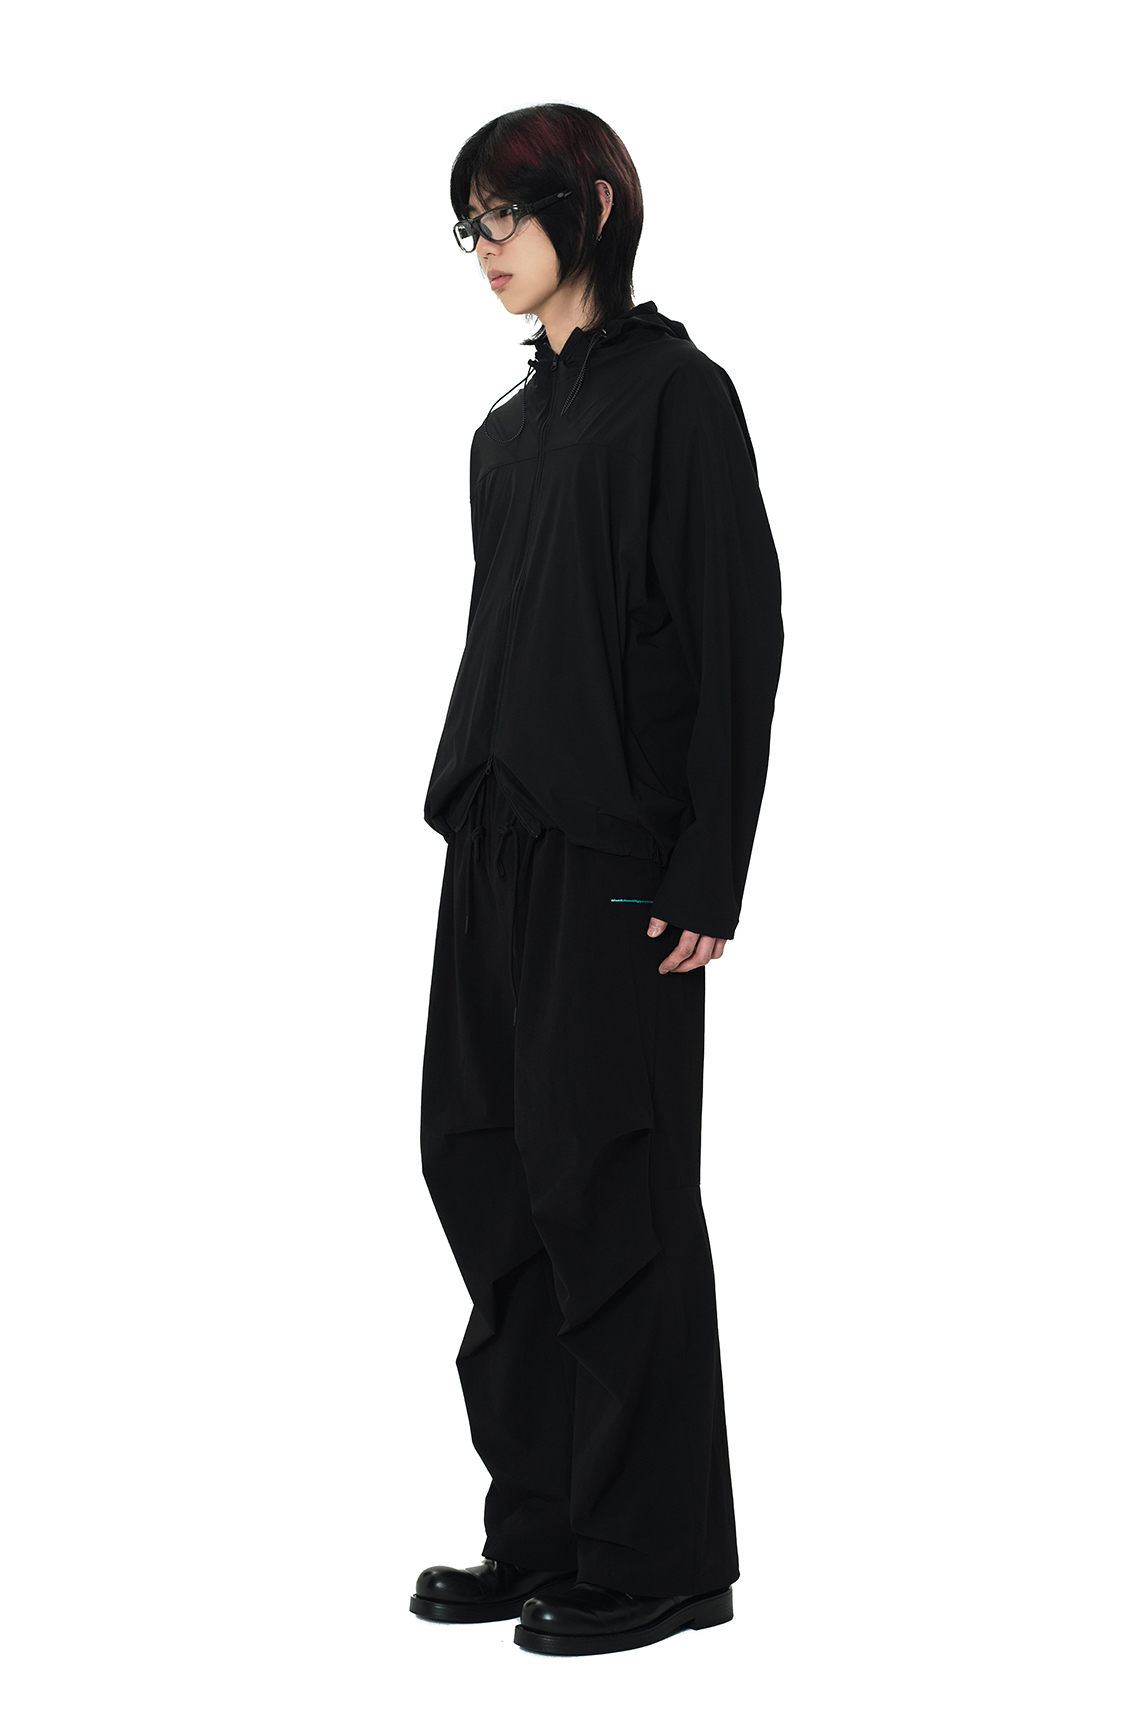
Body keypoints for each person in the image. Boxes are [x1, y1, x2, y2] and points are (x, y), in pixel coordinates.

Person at [410, 103, 784, 1659]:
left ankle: (658, 1554)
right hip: (496, 847)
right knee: (484, 1167)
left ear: (596, 208)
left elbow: (736, 628)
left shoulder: (677, 399)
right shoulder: (507, 434)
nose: (486, 248)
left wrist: (708, 863)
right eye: (471, 224)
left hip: (619, 862)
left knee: (607, 1184)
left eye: (508, 214)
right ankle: (545, 1528)